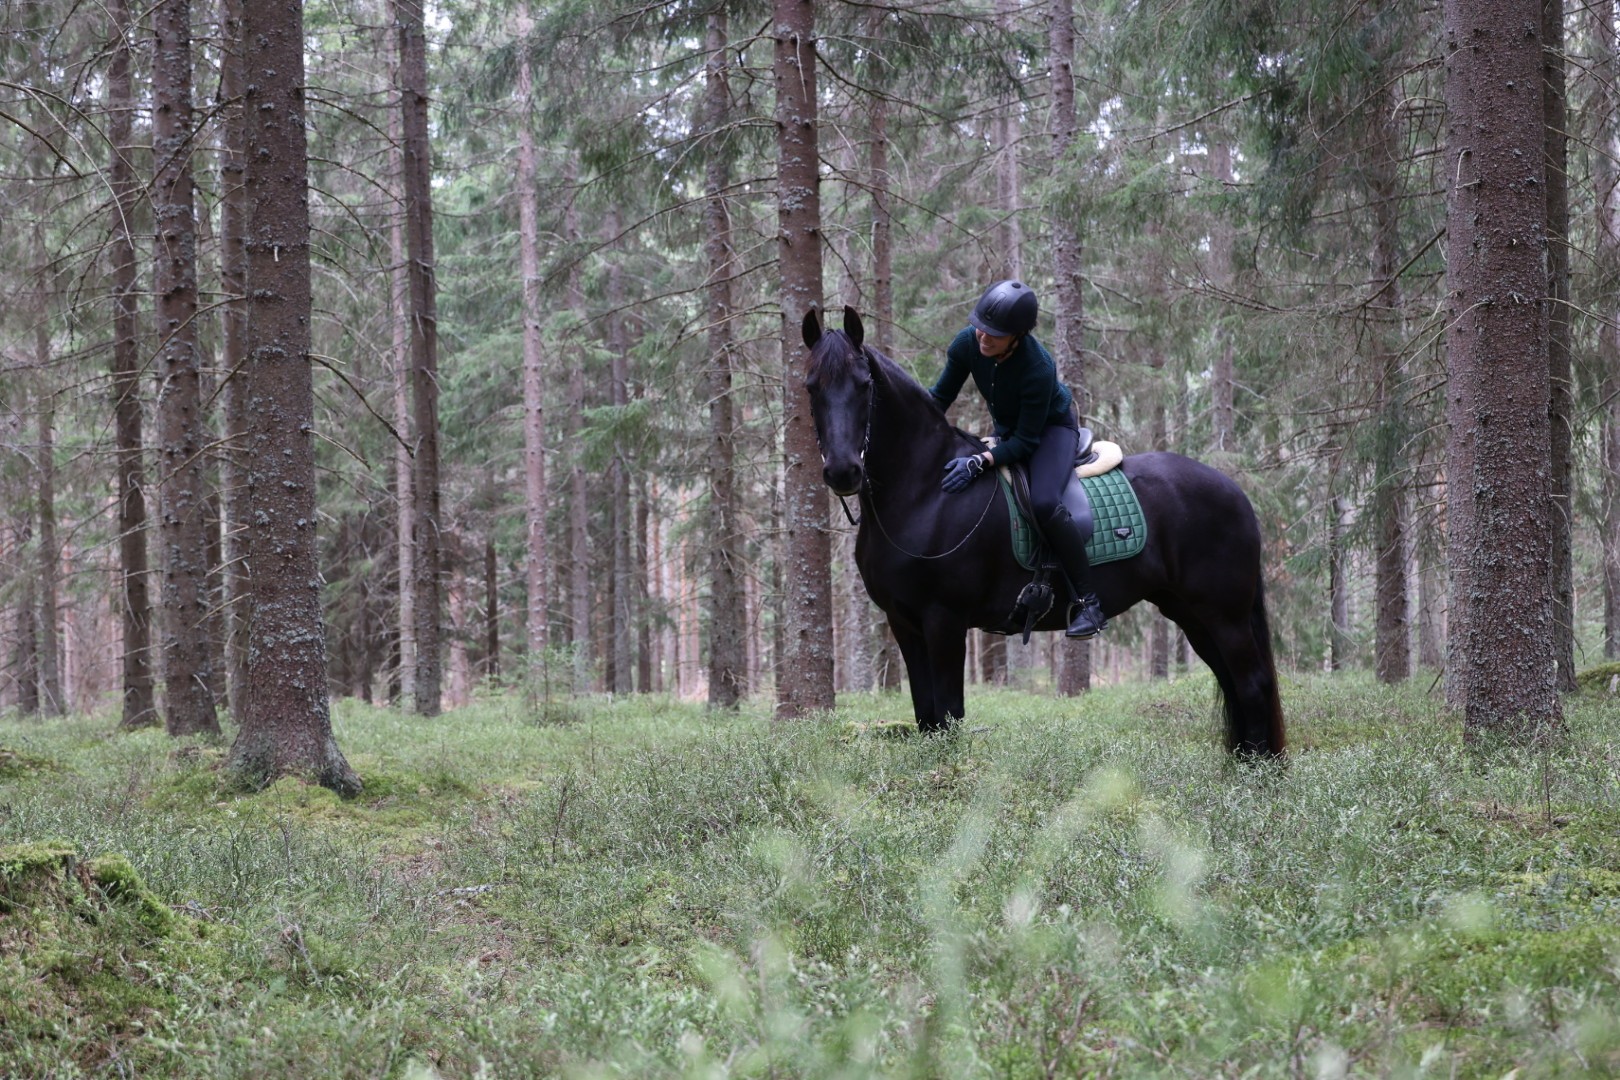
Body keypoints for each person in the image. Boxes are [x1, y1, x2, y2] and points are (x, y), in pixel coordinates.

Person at [928, 279, 1107, 638]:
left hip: (1051, 431)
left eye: (995, 333)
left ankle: (1089, 604)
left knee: (1043, 503)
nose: (983, 337)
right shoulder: (967, 342)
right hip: (1010, 430)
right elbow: (938, 398)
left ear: (1018, 336)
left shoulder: (1038, 367)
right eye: (981, 327)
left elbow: (1026, 441)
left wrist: (980, 461)